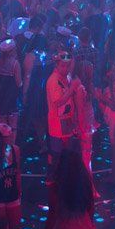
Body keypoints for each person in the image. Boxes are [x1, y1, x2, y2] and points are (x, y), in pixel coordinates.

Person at [36, 151, 94, 229]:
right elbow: (91, 206)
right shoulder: (86, 182)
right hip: (85, 227)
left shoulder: (55, 187)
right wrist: (90, 226)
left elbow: (52, 216)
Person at [45, 50, 79, 181]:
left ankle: (63, 179)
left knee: (67, 154)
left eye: (67, 65)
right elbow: (58, 102)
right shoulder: (53, 80)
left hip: (67, 122)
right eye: (62, 66)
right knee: (56, 154)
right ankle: (51, 179)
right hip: (57, 125)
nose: (65, 69)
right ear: (57, 65)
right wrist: (72, 89)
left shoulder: (66, 77)